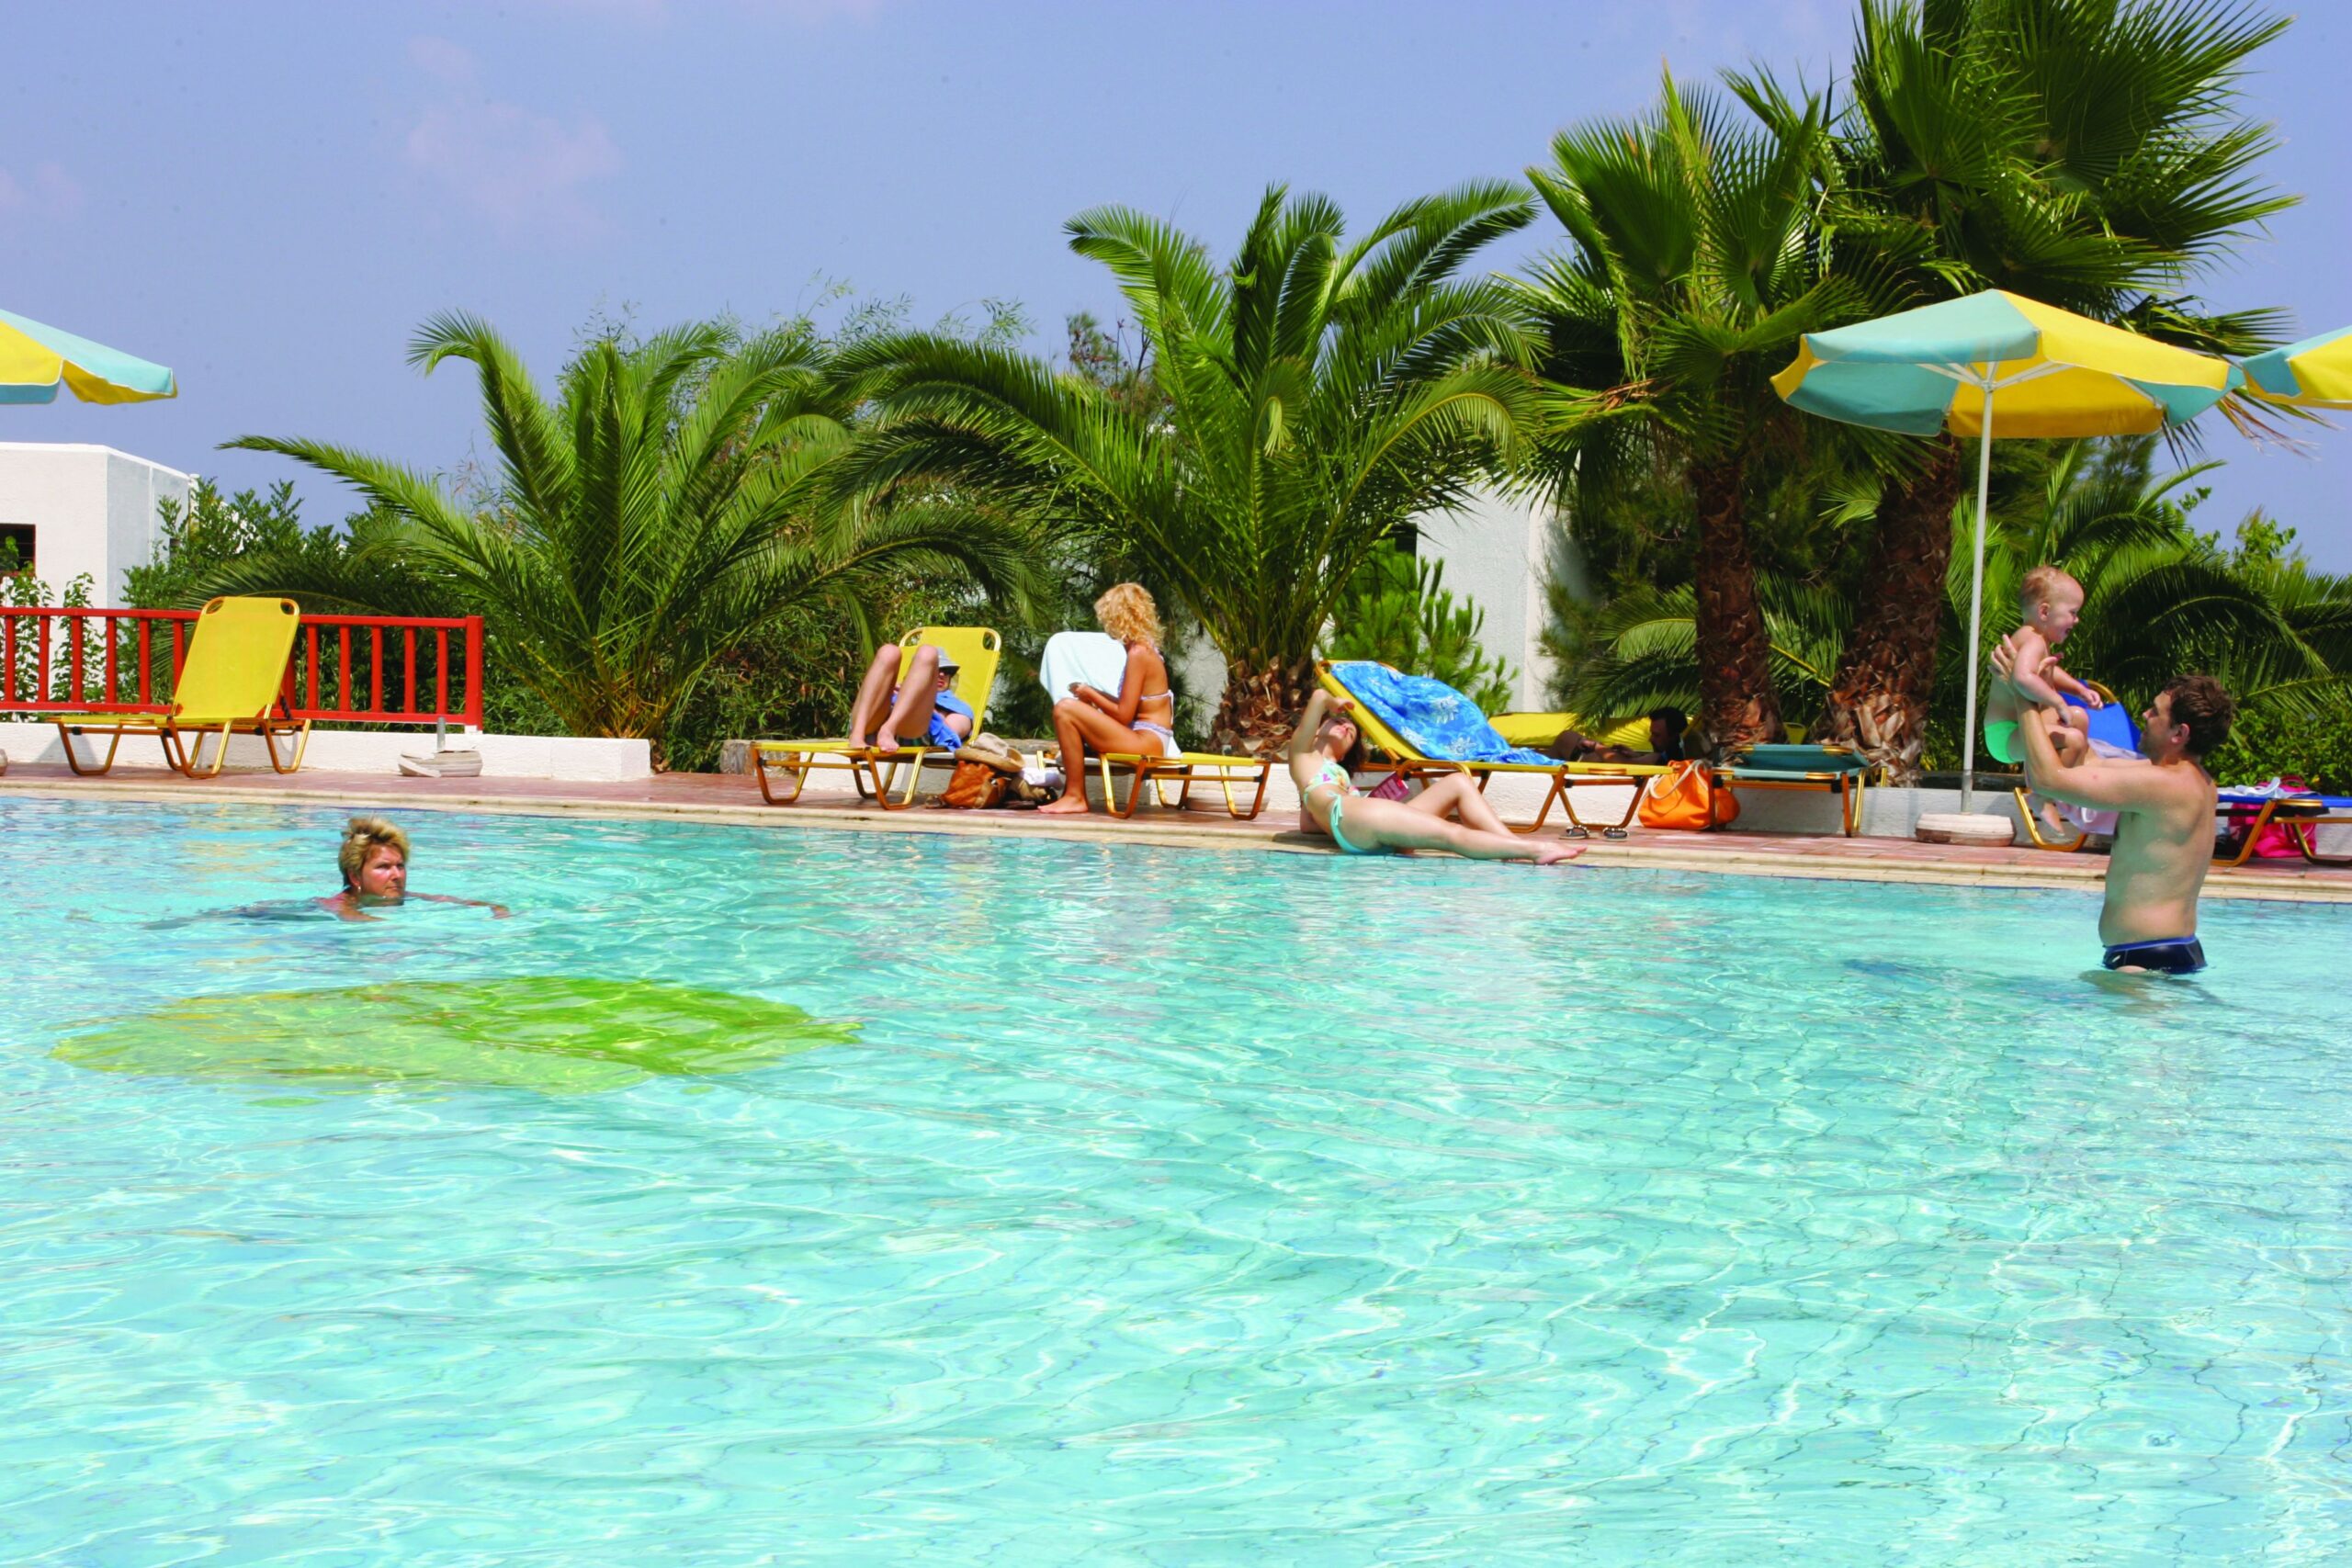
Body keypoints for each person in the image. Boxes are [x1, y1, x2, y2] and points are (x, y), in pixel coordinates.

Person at [2015, 674, 2233, 975]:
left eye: (2155, 711)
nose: (2145, 714)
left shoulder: (2163, 785)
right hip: (2170, 950)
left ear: (2179, 733)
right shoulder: (2196, 782)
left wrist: (2023, 696)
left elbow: (2047, 780)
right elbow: (2091, 764)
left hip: (2144, 961)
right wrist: (2044, 689)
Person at [1287, 689, 1585, 865]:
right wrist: (1330, 702)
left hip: (1359, 823)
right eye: (1338, 721)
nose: (1346, 726)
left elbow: (1309, 824)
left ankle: (1510, 846)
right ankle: (1535, 851)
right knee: (1449, 835)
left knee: (1458, 783)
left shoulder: (1333, 776)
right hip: (1355, 819)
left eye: (1351, 732)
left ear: (1345, 755)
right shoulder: (1303, 757)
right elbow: (1318, 696)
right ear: (1317, 729)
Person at [1039, 583, 1182, 816]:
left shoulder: (1138, 653)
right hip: (1146, 736)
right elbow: (1128, 704)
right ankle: (1073, 794)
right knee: (1073, 709)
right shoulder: (1141, 648)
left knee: (1065, 708)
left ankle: (1075, 796)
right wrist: (1093, 695)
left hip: (1148, 741)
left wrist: (1091, 693)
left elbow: (1124, 714)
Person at [1986, 566, 2103, 770]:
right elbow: (2023, 677)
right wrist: (2058, 702)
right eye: (2073, 613)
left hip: (2021, 727)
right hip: (2007, 733)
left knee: (2080, 717)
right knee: (2072, 740)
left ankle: (2075, 777)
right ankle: (2050, 787)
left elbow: (2049, 673)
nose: (2077, 620)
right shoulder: (2033, 639)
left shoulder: (2037, 639)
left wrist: (2079, 690)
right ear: (2045, 612)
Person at [322, 816, 512, 922]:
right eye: (383, 867)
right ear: (355, 876)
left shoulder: (406, 896)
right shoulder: (334, 905)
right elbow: (351, 917)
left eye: (400, 866)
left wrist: (495, 908)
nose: (396, 875)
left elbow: (453, 901)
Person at [847, 641, 972, 757]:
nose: (941, 674)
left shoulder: (959, 707)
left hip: (912, 734)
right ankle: (857, 735)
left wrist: (919, 701)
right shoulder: (896, 690)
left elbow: (951, 732)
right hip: (869, 726)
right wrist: (891, 693)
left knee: (928, 652)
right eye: (937, 669)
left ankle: (888, 729)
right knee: (889, 651)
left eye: (947, 671)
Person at [1546, 706, 1688, 765]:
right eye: (1652, 733)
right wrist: (1636, 755)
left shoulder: (1663, 759)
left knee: (1566, 738)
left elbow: (1624, 765)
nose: (1651, 739)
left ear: (1673, 735)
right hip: (1583, 763)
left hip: (1585, 765)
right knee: (1565, 739)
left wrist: (1596, 746)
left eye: (1657, 735)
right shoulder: (1667, 754)